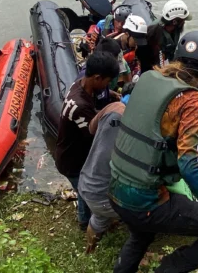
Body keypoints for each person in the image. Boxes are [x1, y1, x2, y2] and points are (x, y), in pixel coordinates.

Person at [108, 31, 198, 273]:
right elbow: (190, 163)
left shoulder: (148, 78)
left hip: (115, 189)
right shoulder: (191, 100)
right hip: (146, 202)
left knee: (141, 235)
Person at [54, 52, 120, 231]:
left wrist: (111, 94)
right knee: (85, 193)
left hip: (68, 150)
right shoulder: (81, 106)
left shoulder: (80, 85)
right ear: (97, 77)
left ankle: (87, 219)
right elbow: (99, 135)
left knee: (82, 191)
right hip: (72, 160)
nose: (107, 86)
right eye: (107, 82)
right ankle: (85, 223)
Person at [78, 100, 127, 254]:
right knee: (141, 212)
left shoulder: (114, 106)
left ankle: (90, 249)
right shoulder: (139, 125)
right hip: (101, 195)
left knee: (99, 217)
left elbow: (91, 128)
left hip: (85, 180)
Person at [76, 38, 131, 110]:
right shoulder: (87, 82)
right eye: (114, 60)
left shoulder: (102, 74)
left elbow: (101, 91)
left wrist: (112, 94)